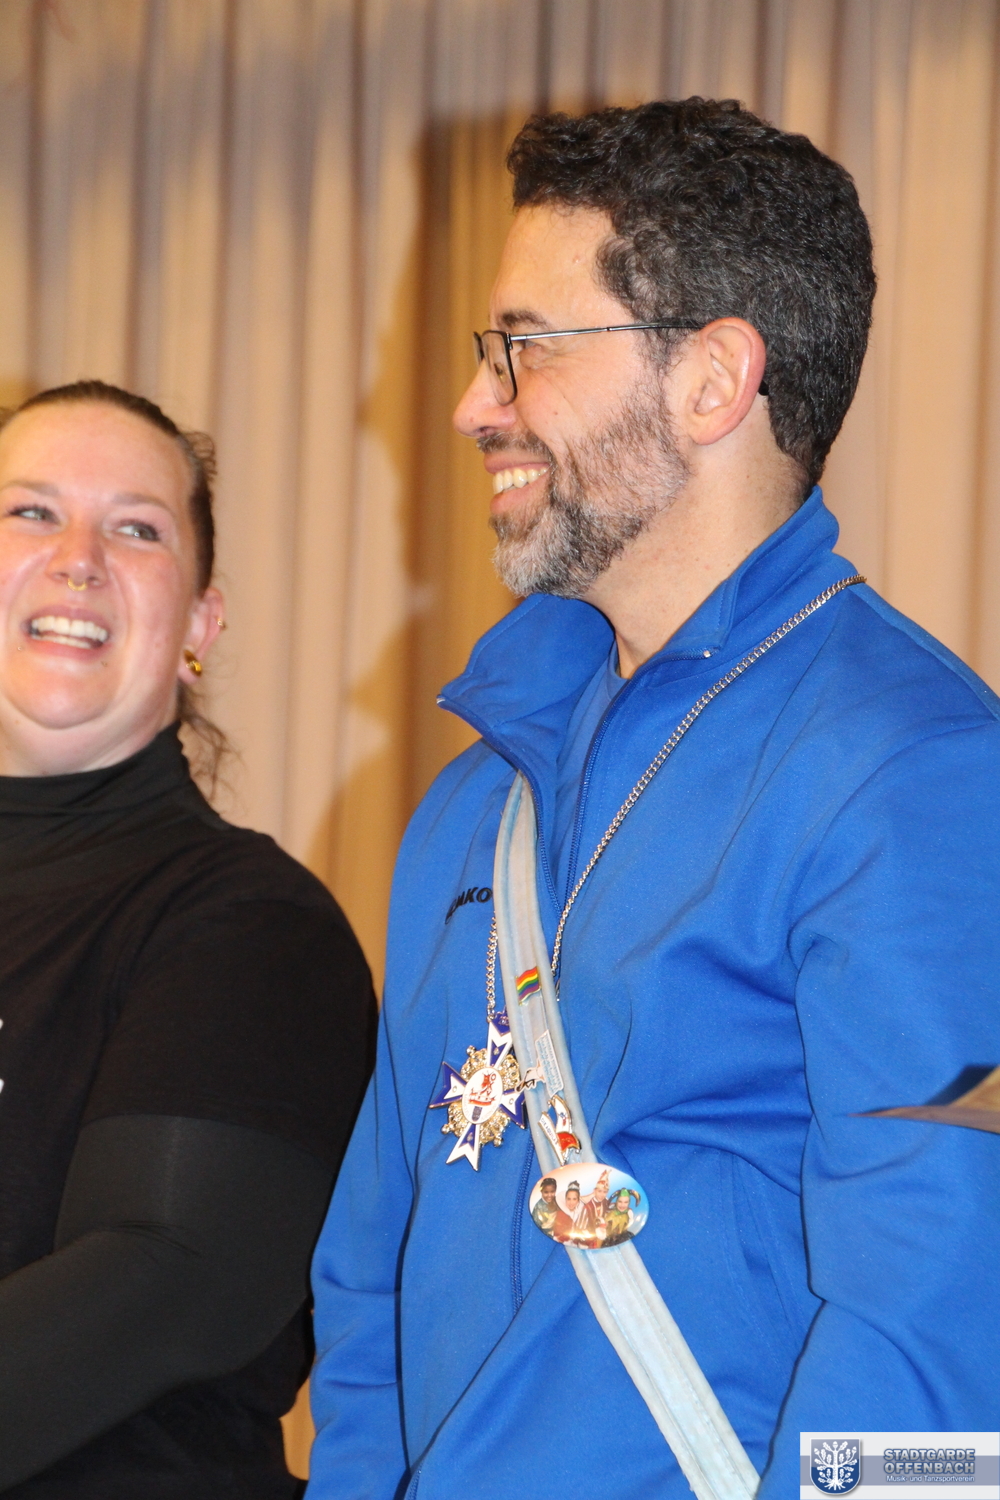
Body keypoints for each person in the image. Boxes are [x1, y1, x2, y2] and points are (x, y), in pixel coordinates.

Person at [307, 99, 1000, 1497]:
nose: (474, 404)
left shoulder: (918, 768)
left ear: (712, 379)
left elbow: (942, 1336)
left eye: (526, 348)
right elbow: (372, 1283)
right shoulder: (473, 799)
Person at [0, 381, 376, 1497]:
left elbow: (166, 1279)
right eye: (31, 512)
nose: (77, 559)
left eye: (136, 529)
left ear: (200, 626)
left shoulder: (255, 928)